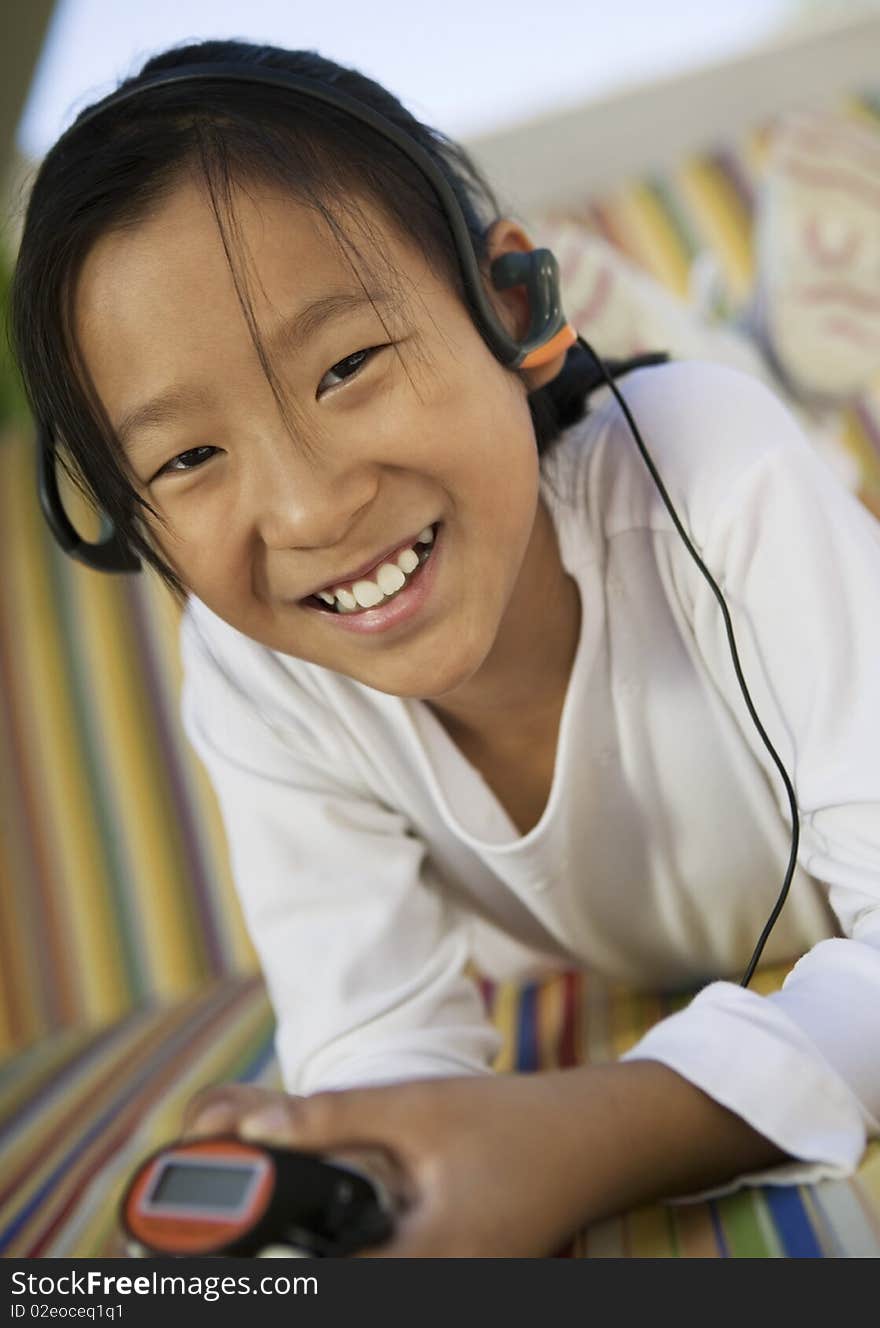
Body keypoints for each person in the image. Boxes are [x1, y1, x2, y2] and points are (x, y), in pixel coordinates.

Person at [10, 39, 880, 1258]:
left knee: (766, 433)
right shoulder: (252, 664)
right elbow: (376, 1040)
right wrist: (360, 1156)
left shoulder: (707, 465)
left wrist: (593, 1128)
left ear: (513, 305)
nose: (309, 511)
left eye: (349, 364)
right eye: (187, 459)